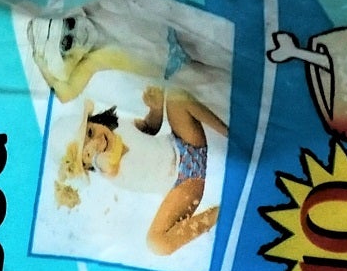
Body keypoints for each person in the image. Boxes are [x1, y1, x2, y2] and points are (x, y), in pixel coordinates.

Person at [55, 85, 227, 257]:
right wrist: (96, 154)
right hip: (183, 185)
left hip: (186, 144)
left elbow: (149, 128)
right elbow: (111, 161)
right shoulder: (104, 166)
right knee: (157, 243)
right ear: (87, 166)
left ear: (95, 121)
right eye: (87, 152)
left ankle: (230, 132)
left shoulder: (121, 126)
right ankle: (222, 213)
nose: (97, 140)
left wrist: (156, 109)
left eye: (91, 132)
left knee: (176, 97)